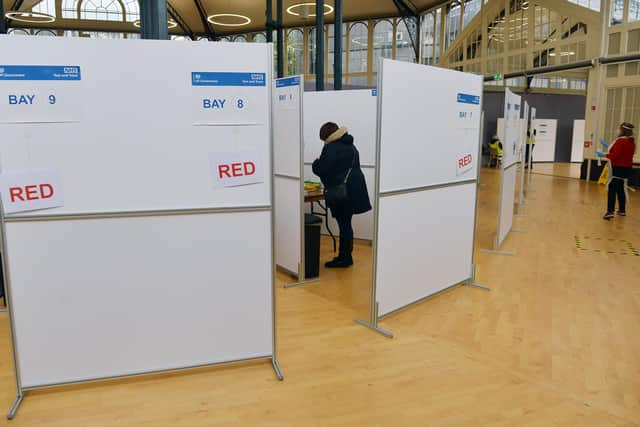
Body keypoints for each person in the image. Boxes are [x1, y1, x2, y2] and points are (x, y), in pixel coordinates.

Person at [312, 122, 372, 268]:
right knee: (346, 224)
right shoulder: (350, 145)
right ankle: (346, 256)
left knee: (344, 225)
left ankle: (344, 258)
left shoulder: (331, 147)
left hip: (342, 193)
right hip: (354, 191)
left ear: (326, 135)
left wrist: (315, 163)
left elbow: (322, 168)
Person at [599, 122, 636, 220]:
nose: (617, 130)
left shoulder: (620, 141)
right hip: (627, 168)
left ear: (622, 130)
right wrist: (607, 145)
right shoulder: (631, 142)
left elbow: (616, 155)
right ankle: (622, 210)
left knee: (612, 189)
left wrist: (603, 155)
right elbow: (620, 151)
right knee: (620, 188)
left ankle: (610, 212)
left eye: (619, 129)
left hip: (618, 168)